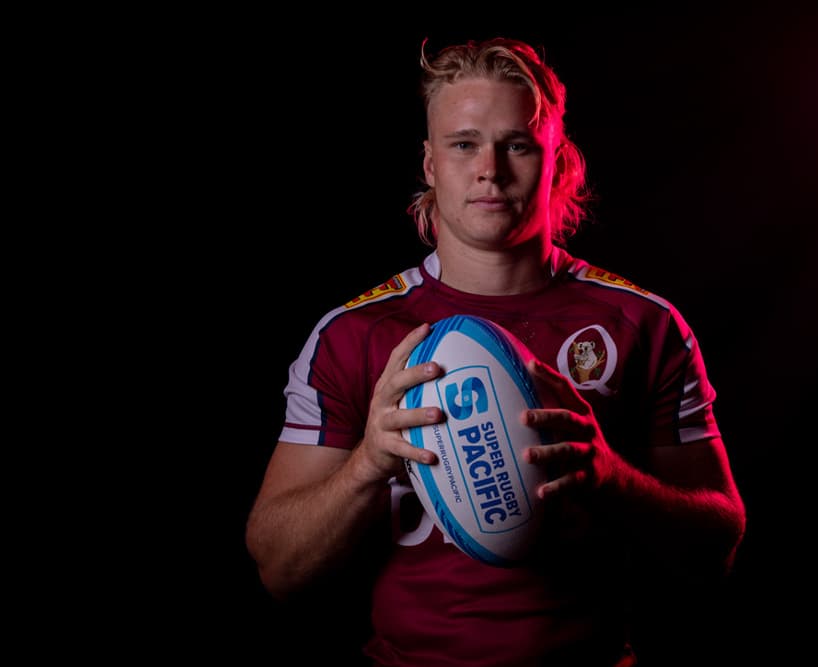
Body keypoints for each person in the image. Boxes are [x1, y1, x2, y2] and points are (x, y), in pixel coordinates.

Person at [245, 36, 746, 666]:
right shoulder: (355, 333)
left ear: (558, 161)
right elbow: (278, 571)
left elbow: (717, 549)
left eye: (517, 144)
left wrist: (610, 477)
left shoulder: (642, 322)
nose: (490, 169)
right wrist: (368, 464)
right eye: (464, 144)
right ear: (430, 164)